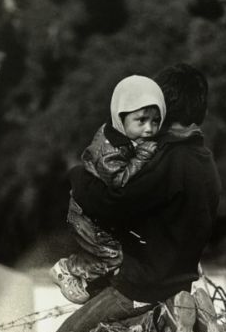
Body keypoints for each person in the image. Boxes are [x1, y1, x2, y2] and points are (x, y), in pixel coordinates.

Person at [50, 64, 225, 332]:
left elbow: (112, 203)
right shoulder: (205, 162)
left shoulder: (170, 161)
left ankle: (162, 324)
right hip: (179, 278)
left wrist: (78, 177)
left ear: (164, 110)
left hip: (143, 283)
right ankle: (193, 322)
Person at [50, 75, 166, 304]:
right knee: (111, 257)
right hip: (87, 215)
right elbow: (119, 182)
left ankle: (96, 287)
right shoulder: (108, 148)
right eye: (141, 120)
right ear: (120, 118)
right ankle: (67, 268)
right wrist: (143, 157)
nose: (149, 128)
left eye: (155, 121)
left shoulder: (133, 143)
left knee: (127, 254)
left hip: (106, 212)